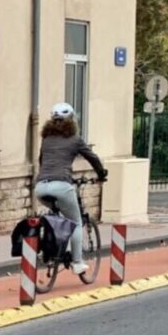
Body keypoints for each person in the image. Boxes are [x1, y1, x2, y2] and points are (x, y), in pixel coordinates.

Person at [34, 102, 106, 275]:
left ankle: (52, 247)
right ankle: (77, 262)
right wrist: (101, 174)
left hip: (41, 187)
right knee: (75, 222)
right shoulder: (75, 139)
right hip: (62, 186)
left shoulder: (46, 139)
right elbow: (93, 158)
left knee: (57, 216)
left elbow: (42, 162)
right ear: (72, 120)